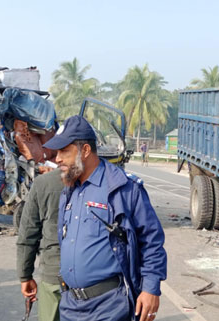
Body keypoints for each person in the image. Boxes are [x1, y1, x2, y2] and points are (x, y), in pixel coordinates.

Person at [43, 115, 167, 321]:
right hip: (70, 306)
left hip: (108, 307)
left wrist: (151, 288)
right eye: (57, 152)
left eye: (64, 151)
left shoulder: (122, 189)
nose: (57, 159)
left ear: (85, 150)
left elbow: (151, 240)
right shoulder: (69, 190)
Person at [17, 168, 64, 321]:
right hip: (98, 283)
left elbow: (28, 234)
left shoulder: (44, 183)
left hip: (54, 276)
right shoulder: (109, 181)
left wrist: (25, 275)